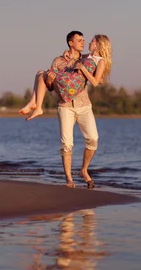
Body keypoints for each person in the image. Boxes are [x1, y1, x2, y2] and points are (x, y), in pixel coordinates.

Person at [19, 31, 113, 188]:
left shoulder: (84, 59)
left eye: (86, 40)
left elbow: (98, 78)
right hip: (64, 106)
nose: (84, 43)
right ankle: (69, 180)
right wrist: (49, 79)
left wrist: (84, 69)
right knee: (66, 144)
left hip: (84, 105)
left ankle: (84, 170)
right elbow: (49, 86)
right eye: (80, 40)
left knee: (93, 139)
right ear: (71, 43)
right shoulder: (58, 61)